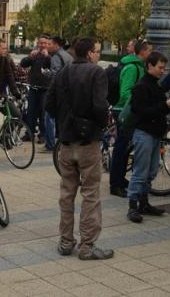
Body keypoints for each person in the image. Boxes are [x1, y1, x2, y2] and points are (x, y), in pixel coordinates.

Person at [45, 37, 114, 260]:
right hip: (88, 142)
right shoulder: (96, 73)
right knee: (91, 193)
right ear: (89, 53)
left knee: (67, 194)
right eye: (97, 51)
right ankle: (87, 245)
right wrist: (98, 125)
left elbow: (49, 104)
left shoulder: (63, 72)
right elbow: (100, 106)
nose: (99, 55)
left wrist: (65, 121)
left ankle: (66, 241)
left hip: (65, 141)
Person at [126, 52, 170, 223]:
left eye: (164, 68)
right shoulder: (142, 86)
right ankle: (133, 206)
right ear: (149, 66)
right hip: (144, 133)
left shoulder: (155, 85)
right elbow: (141, 111)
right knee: (141, 171)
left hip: (155, 133)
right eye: (159, 67)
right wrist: (165, 105)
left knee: (151, 171)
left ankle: (143, 202)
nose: (162, 71)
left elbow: (158, 108)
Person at [109, 40, 151, 197]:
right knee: (121, 148)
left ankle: (120, 179)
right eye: (149, 50)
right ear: (143, 52)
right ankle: (115, 184)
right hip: (123, 111)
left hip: (127, 110)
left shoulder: (138, 66)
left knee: (125, 147)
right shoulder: (132, 68)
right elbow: (125, 92)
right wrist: (138, 102)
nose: (150, 53)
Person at [20, 35, 52, 144]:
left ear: (49, 44)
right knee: (31, 112)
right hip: (34, 87)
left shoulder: (52, 55)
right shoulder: (35, 54)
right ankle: (29, 133)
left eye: (45, 43)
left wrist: (48, 57)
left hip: (45, 88)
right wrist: (29, 57)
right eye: (40, 43)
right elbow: (23, 64)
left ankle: (43, 134)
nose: (42, 45)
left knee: (44, 113)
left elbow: (53, 67)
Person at [45, 36, 73, 150]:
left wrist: (46, 73)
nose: (48, 46)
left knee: (49, 116)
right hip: (68, 90)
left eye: (50, 44)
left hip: (58, 91)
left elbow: (55, 74)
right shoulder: (68, 55)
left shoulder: (56, 57)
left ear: (57, 45)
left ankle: (50, 144)